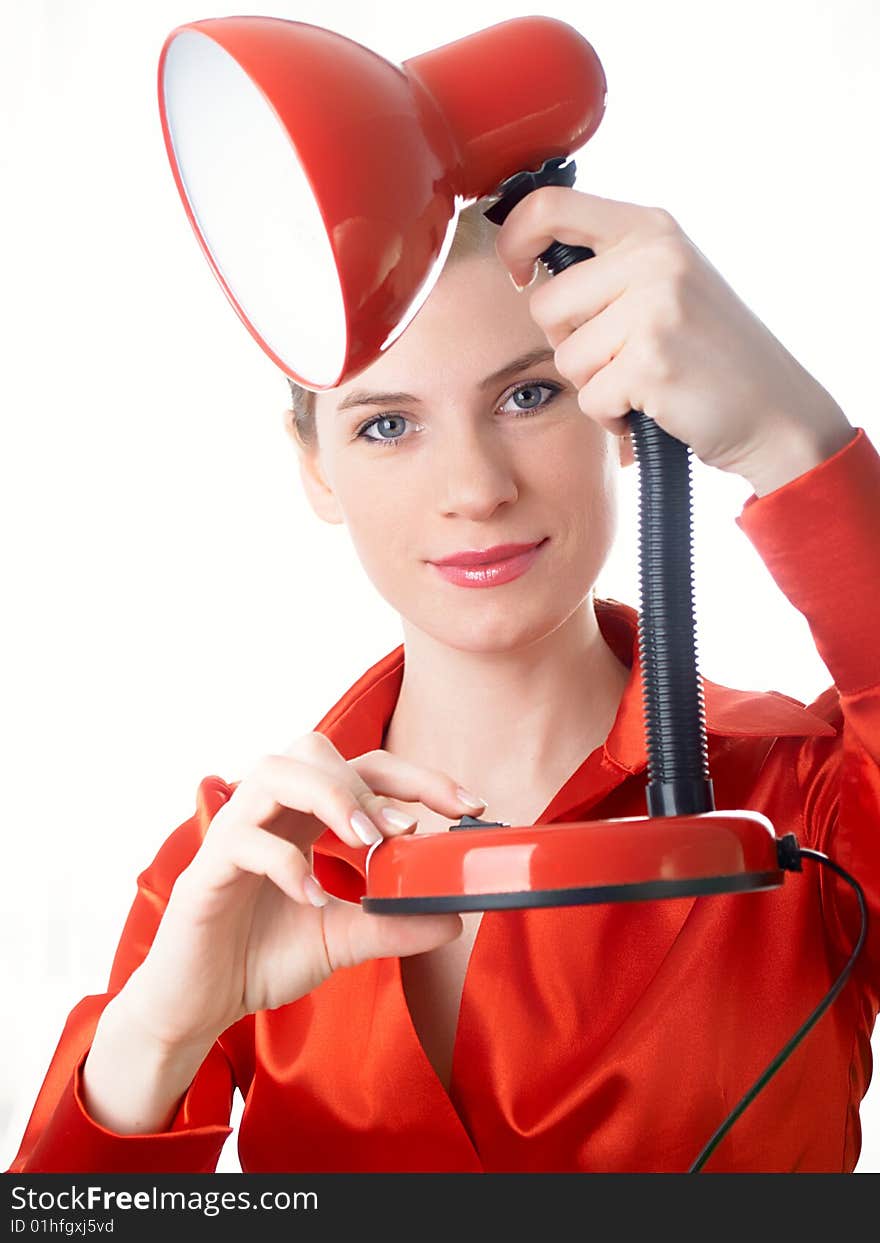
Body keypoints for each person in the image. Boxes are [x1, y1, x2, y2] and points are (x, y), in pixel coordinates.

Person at [6, 186, 878, 1175]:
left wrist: (792, 442)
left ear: (622, 412)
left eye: (528, 395)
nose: (475, 488)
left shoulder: (809, 794)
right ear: (317, 468)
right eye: (386, 425)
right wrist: (160, 1033)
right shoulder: (237, 865)